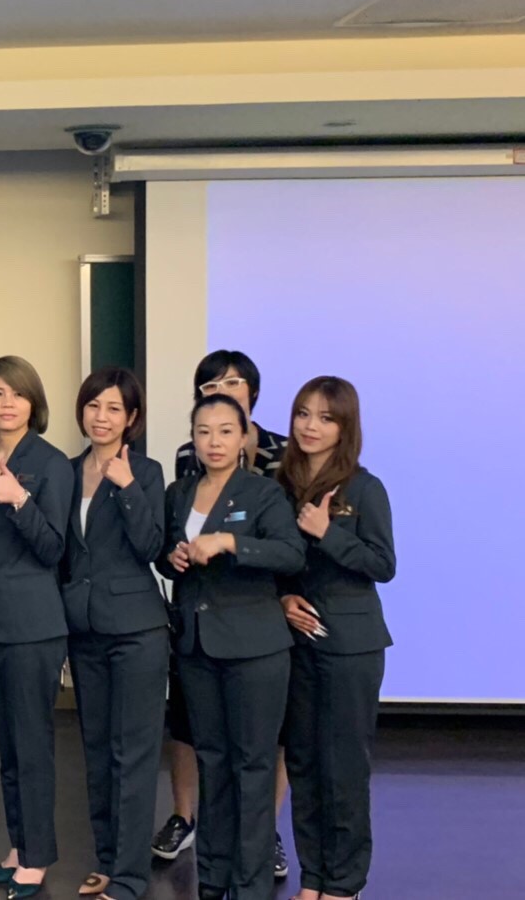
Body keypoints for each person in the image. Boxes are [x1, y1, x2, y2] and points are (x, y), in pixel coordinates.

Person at [157, 394, 304, 900]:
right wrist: (173, 557)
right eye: (203, 431)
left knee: (253, 766)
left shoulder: (263, 493)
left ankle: (250, 883)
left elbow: (290, 553)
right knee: (213, 762)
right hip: (196, 646)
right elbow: (164, 552)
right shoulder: (179, 492)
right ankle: (213, 878)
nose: (213, 442)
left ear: (244, 437)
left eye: (225, 431)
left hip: (255, 648)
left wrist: (230, 542)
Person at [276, 378, 395, 900]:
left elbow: (383, 564)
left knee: (343, 766)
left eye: (325, 418)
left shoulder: (365, 487)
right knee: (303, 762)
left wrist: (328, 533)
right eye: (303, 413)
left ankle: (344, 883)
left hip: (351, 645)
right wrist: (282, 598)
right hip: (296, 643)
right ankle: (314, 878)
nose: (310, 426)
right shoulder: (279, 486)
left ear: (345, 427)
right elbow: (276, 562)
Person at [0, 356, 72, 900]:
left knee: (32, 744)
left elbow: (54, 549)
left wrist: (21, 501)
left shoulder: (52, 463)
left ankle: (39, 855)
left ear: (34, 403)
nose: (6, 404)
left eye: (17, 394)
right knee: (6, 746)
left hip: (32, 625)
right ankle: (19, 844)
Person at [61, 369, 167, 900]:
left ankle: (130, 875)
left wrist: (125, 487)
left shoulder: (145, 471)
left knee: (134, 754)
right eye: (93, 406)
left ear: (132, 418)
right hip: (84, 630)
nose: (101, 417)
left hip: (137, 630)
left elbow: (152, 546)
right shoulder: (66, 470)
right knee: (97, 750)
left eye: (113, 409)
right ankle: (108, 860)